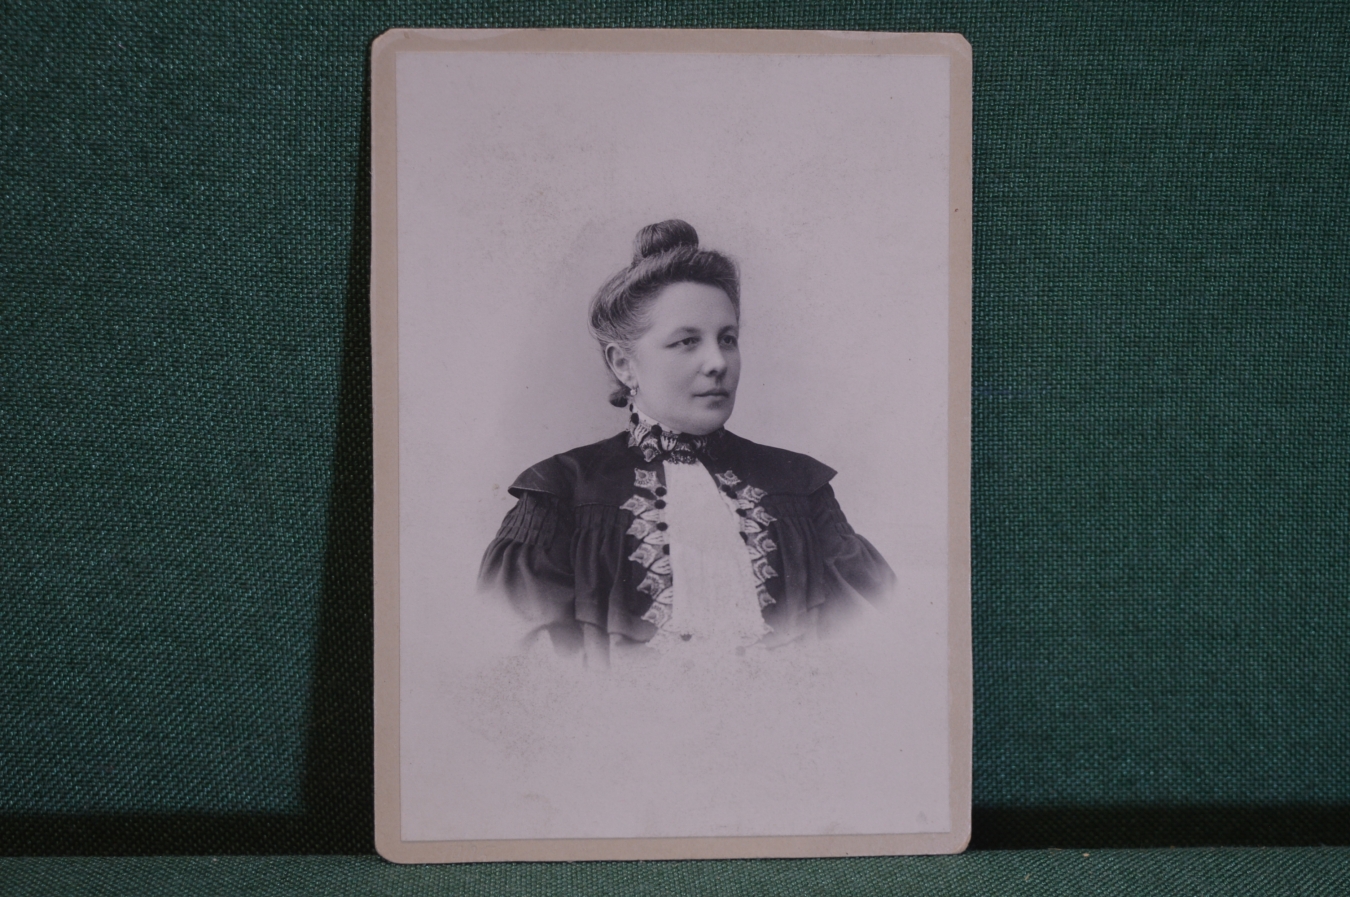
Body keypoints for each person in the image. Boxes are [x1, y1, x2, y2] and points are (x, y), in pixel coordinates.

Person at [478, 220, 895, 667]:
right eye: (686, 342)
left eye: (728, 339)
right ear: (624, 365)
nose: (717, 362)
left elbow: (880, 637)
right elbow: (525, 672)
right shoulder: (558, 493)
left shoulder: (801, 488)